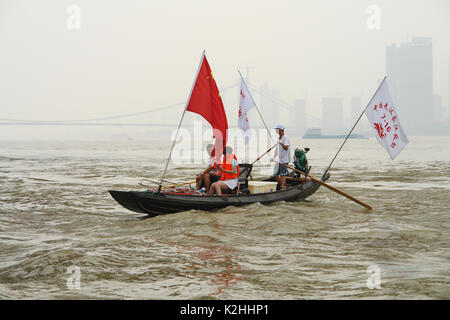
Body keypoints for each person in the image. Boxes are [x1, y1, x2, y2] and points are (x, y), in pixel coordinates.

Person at [271, 124, 290, 190]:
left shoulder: (285, 137)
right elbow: (277, 149)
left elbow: (286, 148)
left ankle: (283, 187)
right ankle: (283, 185)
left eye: (277, 129)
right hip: (278, 160)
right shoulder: (279, 138)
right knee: (275, 175)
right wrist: (273, 157)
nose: (276, 131)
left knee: (282, 175)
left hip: (284, 160)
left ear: (280, 130)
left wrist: (281, 143)